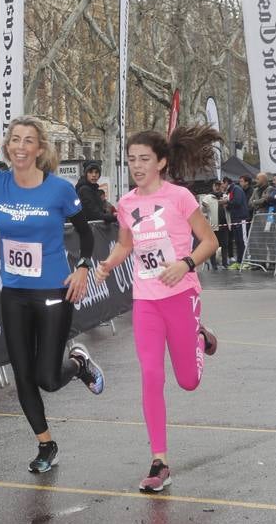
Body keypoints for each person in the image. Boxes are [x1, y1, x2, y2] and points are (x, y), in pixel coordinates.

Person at [0, 88, 105, 474]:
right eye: (15, 140)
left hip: (53, 291)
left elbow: (86, 232)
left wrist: (82, 266)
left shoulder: (59, 189)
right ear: (7, 145)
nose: (20, 147)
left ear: (40, 147)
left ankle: (77, 363)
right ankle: (46, 444)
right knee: (22, 373)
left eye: (29, 141)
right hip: (13, 291)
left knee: (47, 376)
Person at [93, 125, 221, 494]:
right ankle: (159, 461)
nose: (137, 166)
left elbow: (209, 241)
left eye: (144, 159)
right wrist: (105, 267)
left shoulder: (180, 197)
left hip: (181, 295)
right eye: (132, 160)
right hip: (145, 299)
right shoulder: (127, 203)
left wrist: (185, 263)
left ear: (161, 162)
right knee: (151, 375)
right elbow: (125, 245)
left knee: (188, 381)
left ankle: (198, 337)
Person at [224, 175, 249, 266]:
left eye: (222, 184)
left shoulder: (236, 189)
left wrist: (227, 203)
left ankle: (246, 260)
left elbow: (237, 202)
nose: (222, 186)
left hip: (241, 218)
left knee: (243, 240)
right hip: (235, 218)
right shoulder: (231, 190)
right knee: (238, 241)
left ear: (226, 182)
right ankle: (239, 261)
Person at [198, 182, 223, 270]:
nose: (217, 187)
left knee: (225, 244)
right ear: (213, 186)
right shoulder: (208, 197)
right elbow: (202, 211)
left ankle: (224, 263)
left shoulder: (225, 196)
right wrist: (205, 207)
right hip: (213, 226)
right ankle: (214, 264)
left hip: (225, 225)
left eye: (219, 186)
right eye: (216, 186)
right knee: (213, 246)